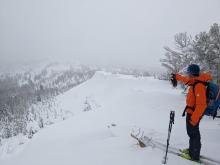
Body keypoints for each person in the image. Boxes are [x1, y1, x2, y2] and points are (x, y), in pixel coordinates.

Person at [170, 64, 212, 162]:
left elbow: (201, 105)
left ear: (192, 73)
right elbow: (185, 80)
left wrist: (194, 119)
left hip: (194, 114)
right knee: (191, 133)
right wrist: (176, 76)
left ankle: (194, 156)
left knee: (194, 134)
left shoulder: (199, 86)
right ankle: (192, 150)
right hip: (191, 112)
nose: (187, 74)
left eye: (188, 73)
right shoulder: (194, 81)